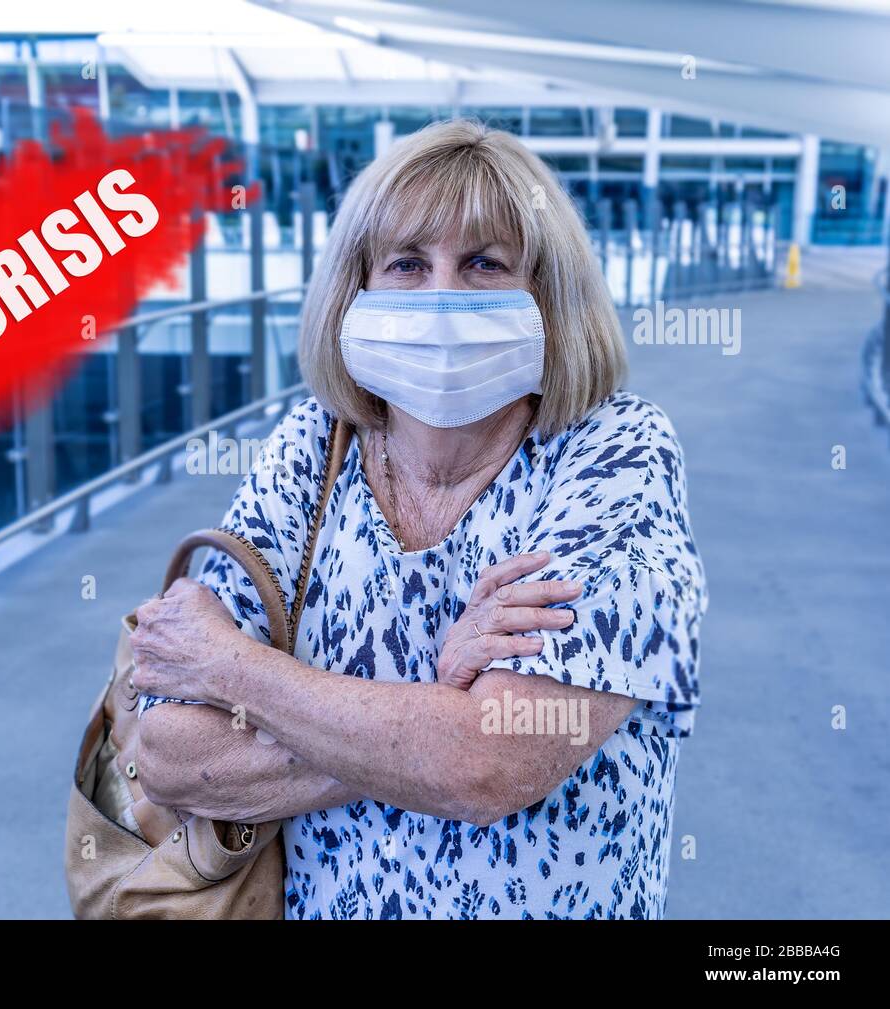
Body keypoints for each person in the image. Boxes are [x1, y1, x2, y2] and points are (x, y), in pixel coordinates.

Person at [127, 119, 707, 920]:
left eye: (483, 263)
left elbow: (487, 763)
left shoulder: (614, 454)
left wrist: (229, 669)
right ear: (354, 289)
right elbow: (165, 754)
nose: (441, 293)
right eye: (406, 262)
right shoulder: (314, 447)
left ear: (547, 294)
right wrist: (434, 704)